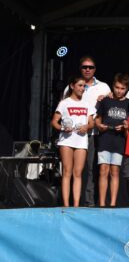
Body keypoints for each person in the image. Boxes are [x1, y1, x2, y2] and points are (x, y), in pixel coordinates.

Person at [64, 55, 111, 207]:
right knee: (72, 171)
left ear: (95, 69)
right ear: (80, 69)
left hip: (94, 134)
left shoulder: (104, 87)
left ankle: (89, 202)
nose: (87, 69)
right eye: (84, 67)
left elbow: (112, 106)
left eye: (90, 67)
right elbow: (62, 110)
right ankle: (73, 203)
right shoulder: (69, 87)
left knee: (92, 169)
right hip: (72, 136)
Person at [52, 76, 95, 207]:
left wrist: (86, 127)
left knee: (78, 173)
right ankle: (66, 205)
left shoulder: (87, 104)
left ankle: (76, 206)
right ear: (72, 86)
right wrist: (63, 128)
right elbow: (54, 122)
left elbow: (92, 123)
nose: (82, 88)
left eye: (84, 86)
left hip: (81, 141)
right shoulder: (64, 103)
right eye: (80, 85)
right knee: (67, 172)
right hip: (66, 141)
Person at [95, 73, 129, 207]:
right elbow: (98, 117)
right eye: (117, 87)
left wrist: (125, 127)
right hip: (105, 139)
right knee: (103, 170)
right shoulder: (105, 100)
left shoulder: (128, 103)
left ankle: (113, 203)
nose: (119, 90)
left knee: (115, 171)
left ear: (126, 89)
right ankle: (102, 203)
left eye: (122, 88)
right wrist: (99, 125)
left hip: (119, 141)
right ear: (113, 86)